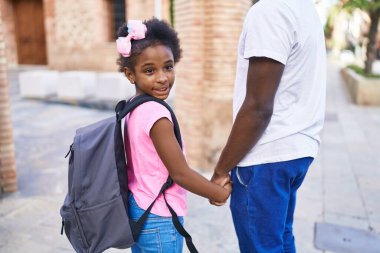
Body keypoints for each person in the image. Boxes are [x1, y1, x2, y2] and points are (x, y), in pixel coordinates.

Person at [211, 0, 326, 252]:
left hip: (267, 156)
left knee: (264, 245)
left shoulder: (269, 11)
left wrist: (221, 169)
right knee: (281, 239)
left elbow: (258, 107)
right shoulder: (304, 8)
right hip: (295, 150)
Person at [116, 18, 232, 253]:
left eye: (168, 67)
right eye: (150, 70)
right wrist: (218, 192)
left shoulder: (132, 106)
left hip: (138, 210)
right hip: (159, 216)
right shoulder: (156, 114)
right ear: (130, 74)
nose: (162, 77)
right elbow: (180, 173)